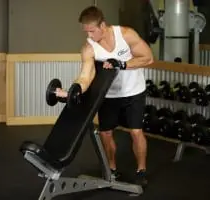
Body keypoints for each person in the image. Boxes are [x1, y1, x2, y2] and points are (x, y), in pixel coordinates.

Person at [56, 6, 154, 187]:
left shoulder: (126, 34)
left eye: (92, 31)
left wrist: (122, 64)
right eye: (86, 32)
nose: (89, 36)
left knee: (136, 132)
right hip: (109, 96)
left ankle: (141, 170)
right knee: (106, 133)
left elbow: (148, 58)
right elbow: (86, 75)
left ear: (103, 25)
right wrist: (73, 90)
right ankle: (112, 168)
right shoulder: (89, 48)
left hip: (133, 91)